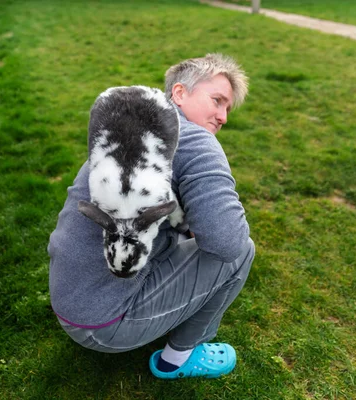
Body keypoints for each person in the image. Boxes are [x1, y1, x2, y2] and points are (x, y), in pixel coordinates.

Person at [48, 53, 255, 379]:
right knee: (242, 251)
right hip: (105, 325)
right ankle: (177, 359)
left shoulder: (130, 130)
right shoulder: (196, 139)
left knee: (186, 232)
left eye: (228, 108)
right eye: (217, 101)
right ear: (179, 94)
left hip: (69, 302)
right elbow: (227, 243)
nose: (223, 116)